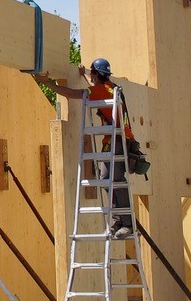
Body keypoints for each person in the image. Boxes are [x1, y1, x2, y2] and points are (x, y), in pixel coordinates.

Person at [34, 58, 135, 238]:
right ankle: (119, 220)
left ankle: (127, 224)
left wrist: (47, 83)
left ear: (96, 74)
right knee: (106, 178)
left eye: (92, 74)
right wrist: (84, 75)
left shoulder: (99, 90)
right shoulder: (111, 87)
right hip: (117, 140)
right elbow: (96, 88)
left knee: (116, 180)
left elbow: (70, 93)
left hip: (118, 141)